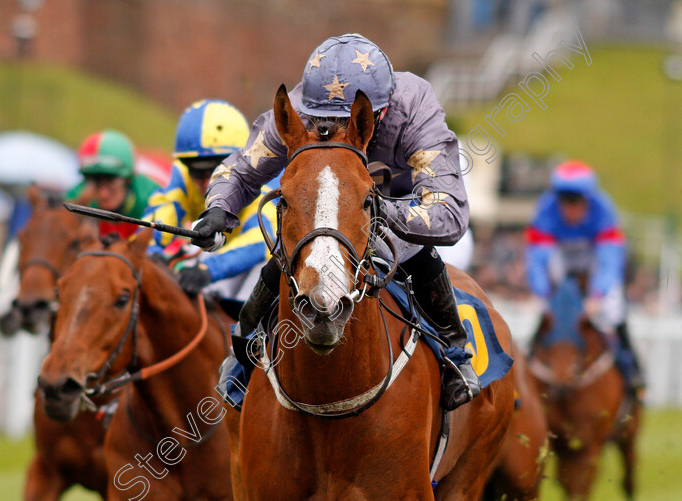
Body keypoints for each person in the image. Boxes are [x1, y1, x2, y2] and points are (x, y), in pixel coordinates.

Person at [192, 34, 479, 411]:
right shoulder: (299, 109)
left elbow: (449, 212)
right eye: (324, 122)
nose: (333, 131)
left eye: (347, 122)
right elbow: (241, 170)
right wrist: (218, 211)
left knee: (413, 253)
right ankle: (244, 356)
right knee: (287, 254)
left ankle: (454, 351)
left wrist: (376, 212)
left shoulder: (414, 105)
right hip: (325, 211)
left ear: (379, 112)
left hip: (398, 205)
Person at [526, 160, 644, 394]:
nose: (569, 208)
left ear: (588, 200)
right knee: (545, 308)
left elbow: (610, 261)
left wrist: (597, 295)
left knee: (613, 308)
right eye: (564, 201)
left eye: (576, 202)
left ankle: (631, 368)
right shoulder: (545, 209)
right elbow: (538, 260)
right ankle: (530, 356)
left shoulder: (604, 210)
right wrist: (542, 294)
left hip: (593, 256)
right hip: (560, 254)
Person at [144, 99, 279, 298]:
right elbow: (157, 219)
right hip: (210, 256)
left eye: (217, 171)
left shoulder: (259, 195)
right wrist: (152, 251)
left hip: (248, 270)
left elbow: (260, 244)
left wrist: (209, 270)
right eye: (197, 173)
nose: (208, 183)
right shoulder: (181, 179)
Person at [67, 130, 162, 238]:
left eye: (111, 180)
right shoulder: (75, 200)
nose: (104, 194)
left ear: (128, 179)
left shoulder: (154, 198)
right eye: (95, 182)